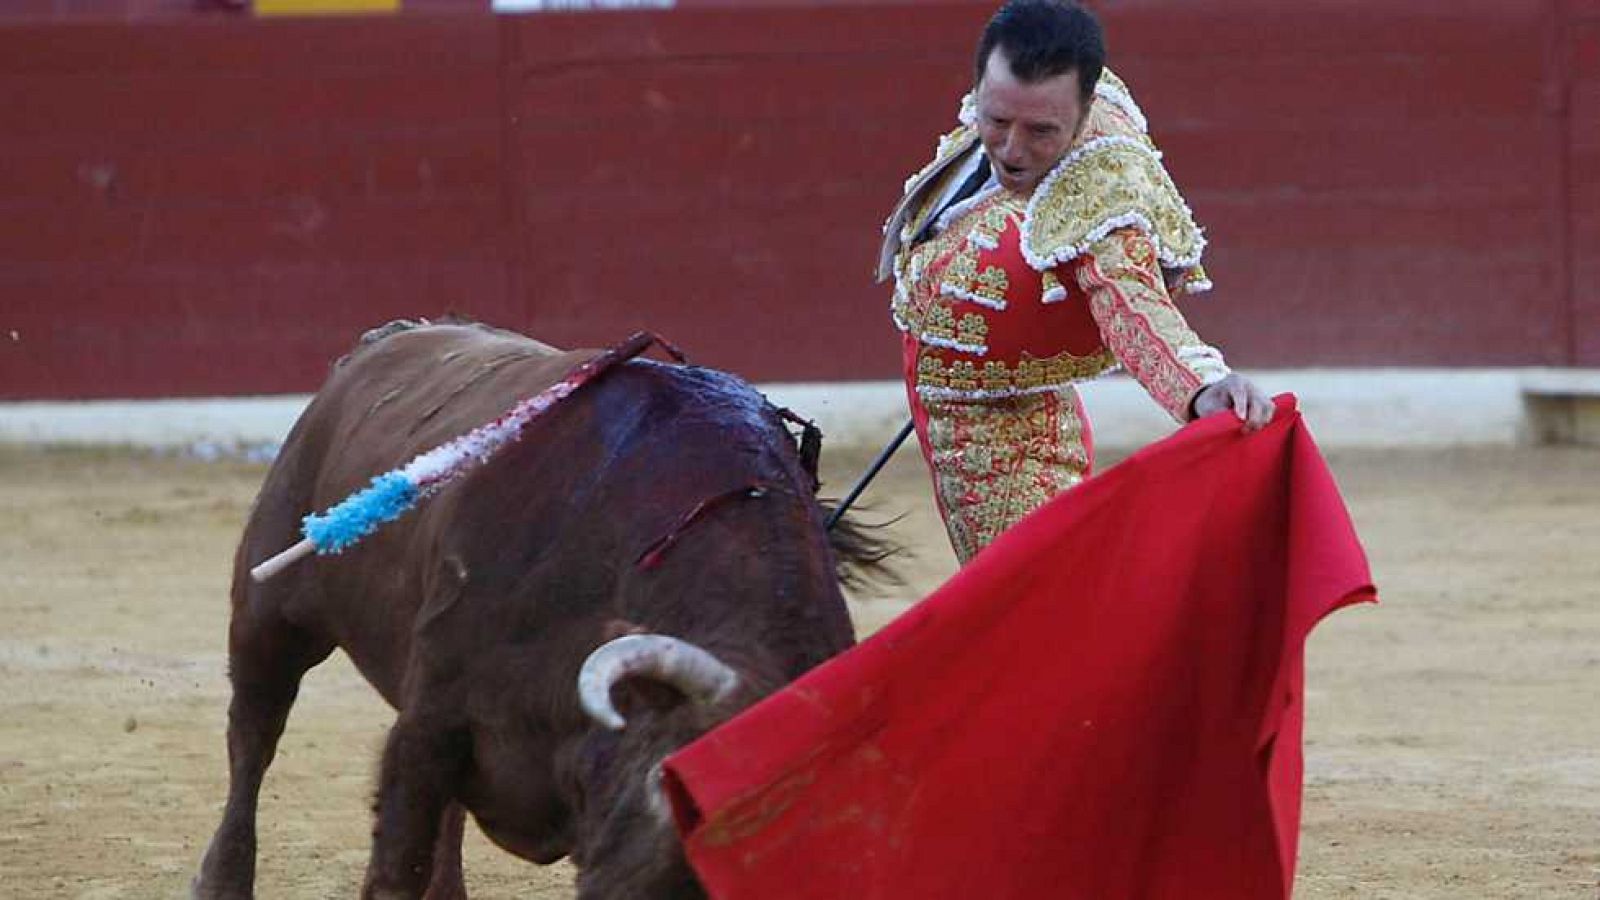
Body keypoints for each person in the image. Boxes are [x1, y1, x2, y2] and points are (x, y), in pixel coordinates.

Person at [877, 0, 1275, 562]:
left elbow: (1128, 296)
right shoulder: (1029, 101)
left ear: (1084, 110)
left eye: (1041, 131)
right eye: (995, 120)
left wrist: (1201, 385)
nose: (1012, 149)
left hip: (1007, 434)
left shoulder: (1104, 185)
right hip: (964, 398)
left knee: (1029, 602)